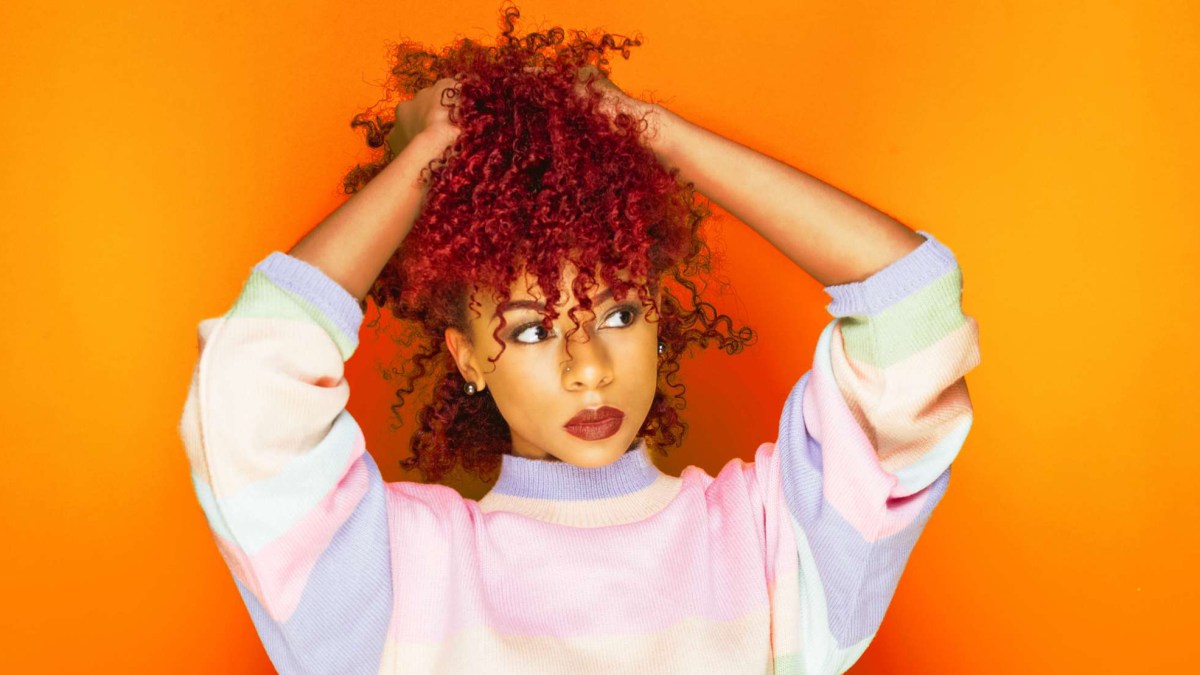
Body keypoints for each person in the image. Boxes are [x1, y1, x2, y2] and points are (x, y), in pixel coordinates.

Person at [177, 7, 980, 674]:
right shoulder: (400, 575)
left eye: (620, 314)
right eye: (530, 329)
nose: (588, 368)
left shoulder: (772, 541)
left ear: (660, 318)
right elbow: (246, 390)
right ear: (465, 356)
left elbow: (910, 306)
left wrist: (654, 132)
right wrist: (427, 157)